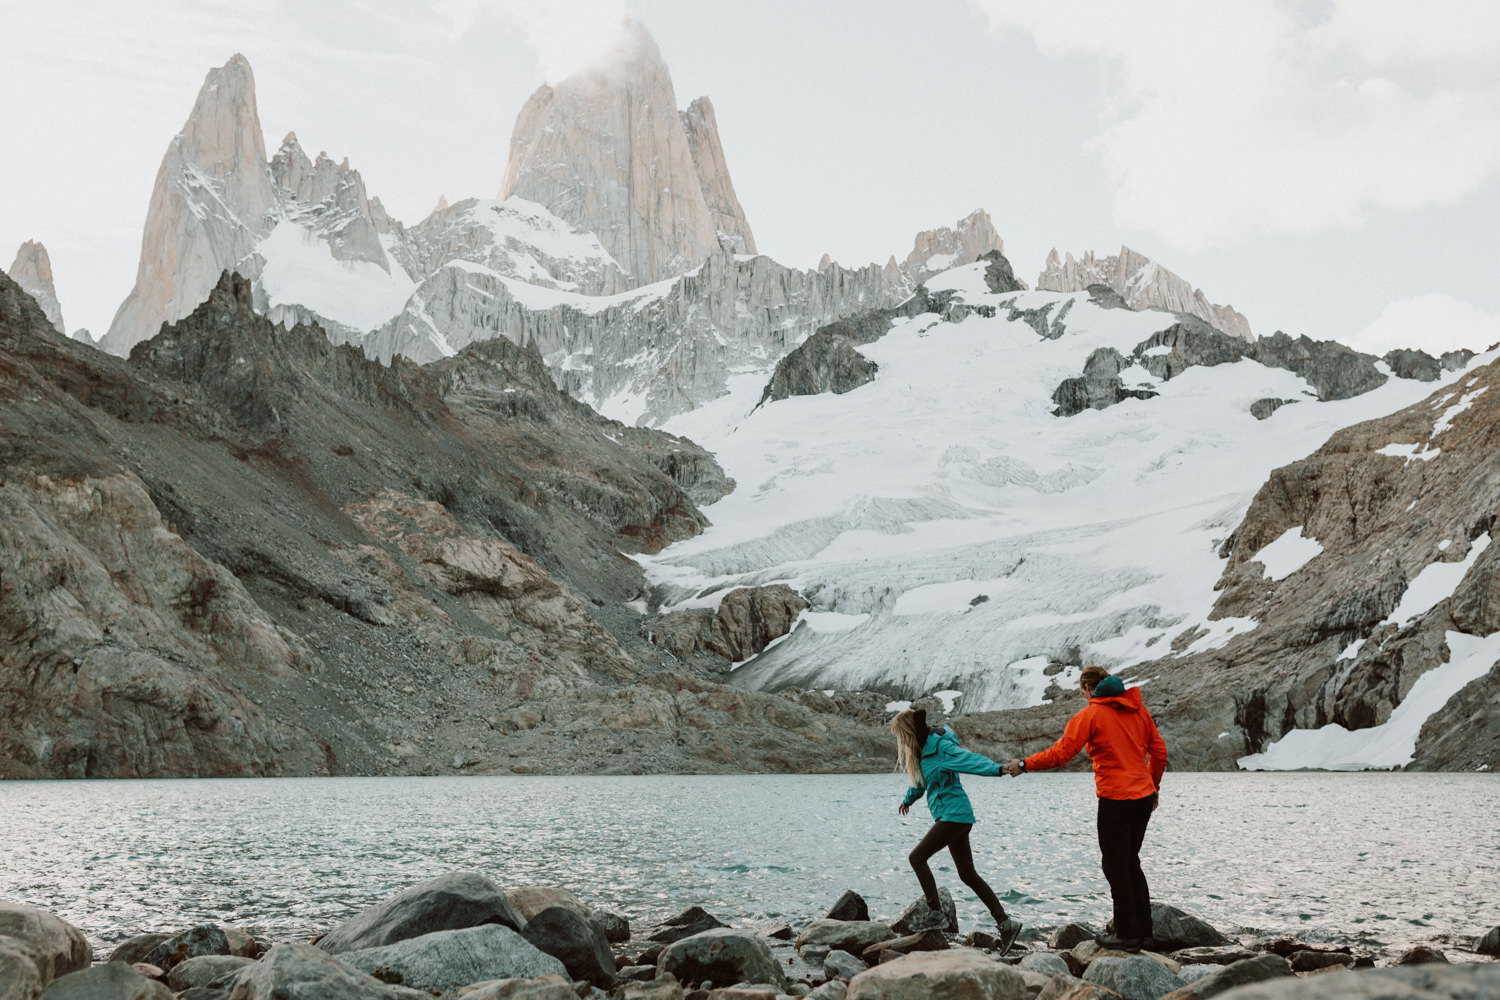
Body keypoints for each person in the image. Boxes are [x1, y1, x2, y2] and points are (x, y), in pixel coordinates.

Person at [1005, 666, 1167, 952]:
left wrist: (1024, 764)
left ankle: (1128, 935)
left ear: (1088, 690)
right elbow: (1159, 753)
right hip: (1142, 796)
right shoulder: (1138, 710)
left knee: (1116, 866)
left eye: (1083, 693)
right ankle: (1146, 934)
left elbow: (1061, 754)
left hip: (1115, 799)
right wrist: (1153, 787)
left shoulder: (1090, 714)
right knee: (1131, 862)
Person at [892, 707, 1023, 952]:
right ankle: (1006, 924)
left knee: (917, 858)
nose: (901, 741)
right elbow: (921, 782)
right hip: (954, 817)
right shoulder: (924, 753)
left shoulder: (941, 747)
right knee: (967, 874)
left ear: (908, 733)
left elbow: (969, 760)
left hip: (954, 816)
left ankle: (935, 913)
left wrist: (997, 769)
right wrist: (908, 799)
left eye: (901, 735)